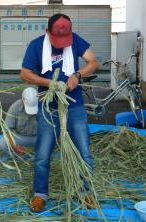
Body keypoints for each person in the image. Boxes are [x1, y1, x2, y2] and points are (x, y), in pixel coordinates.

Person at [20, 13, 99, 212]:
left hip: (75, 106)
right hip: (48, 108)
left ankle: (85, 191)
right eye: (57, 39)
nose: (62, 43)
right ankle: (40, 194)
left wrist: (77, 75)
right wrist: (49, 83)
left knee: (84, 152)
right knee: (43, 153)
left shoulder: (76, 41)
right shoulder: (37, 45)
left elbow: (93, 62)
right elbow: (25, 73)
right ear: (47, 32)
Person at [0, 87, 38, 154]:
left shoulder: (43, 106)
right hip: (20, 138)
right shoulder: (15, 107)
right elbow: (7, 130)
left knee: (51, 142)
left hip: (37, 138)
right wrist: (14, 146)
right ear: (22, 100)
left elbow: (49, 129)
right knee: (3, 143)